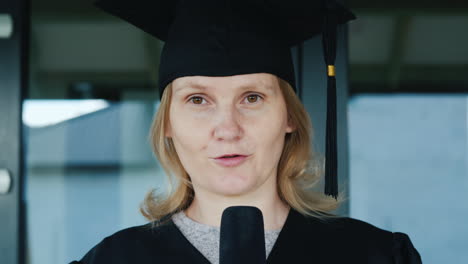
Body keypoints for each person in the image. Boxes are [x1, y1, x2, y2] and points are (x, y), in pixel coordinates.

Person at [70, 0, 423, 263]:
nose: (227, 129)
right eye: (197, 100)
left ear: (289, 117)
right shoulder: (114, 260)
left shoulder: (374, 257)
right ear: (167, 124)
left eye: (252, 98)